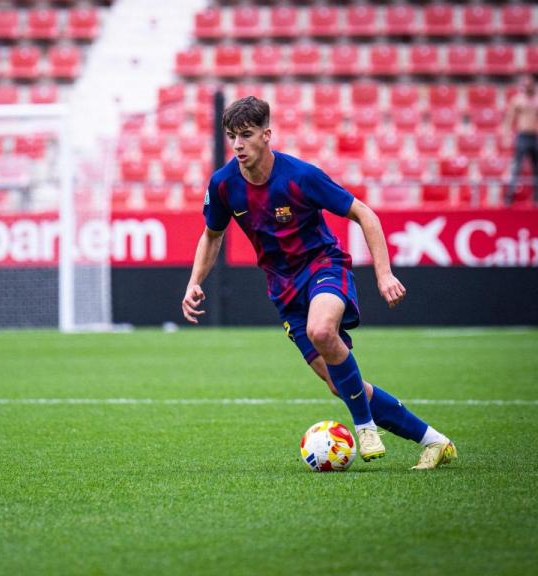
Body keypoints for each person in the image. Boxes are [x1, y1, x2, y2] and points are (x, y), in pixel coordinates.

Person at [181, 96, 456, 470]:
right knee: (338, 383)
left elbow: (364, 213)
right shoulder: (224, 185)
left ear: (267, 135)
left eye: (246, 135)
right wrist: (194, 281)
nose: (238, 145)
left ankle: (365, 427)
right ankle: (435, 441)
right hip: (283, 289)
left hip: (323, 267)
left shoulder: (300, 176)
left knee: (322, 330)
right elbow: (212, 235)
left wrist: (384, 273)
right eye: (232, 136)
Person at [504, 74, 538, 205]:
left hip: (535, 136)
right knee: (517, 167)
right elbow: (509, 118)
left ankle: (536, 197)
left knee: (536, 168)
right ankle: (509, 197)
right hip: (522, 136)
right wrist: (507, 135)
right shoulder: (518, 100)